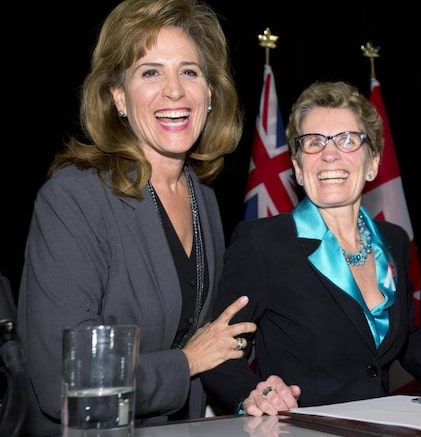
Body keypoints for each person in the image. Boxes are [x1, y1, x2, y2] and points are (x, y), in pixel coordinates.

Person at [200, 81, 421, 416]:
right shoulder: (263, 242)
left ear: (372, 163)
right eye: (314, 142)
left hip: (381, 425)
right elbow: (219, 349)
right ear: (298, 169)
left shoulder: (394, 241)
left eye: (347, 140)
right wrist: (251, 394)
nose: (330, 154)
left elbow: (407, 340)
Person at [16, 0, 256, 435]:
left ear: (209, 94)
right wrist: (187, 363)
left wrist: (253, 390)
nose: (174, 91)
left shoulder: (203, 197)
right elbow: (66, 379)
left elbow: (211, 340)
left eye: (189, 71)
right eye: (150, 72)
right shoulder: (73, 197)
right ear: (119, 98)